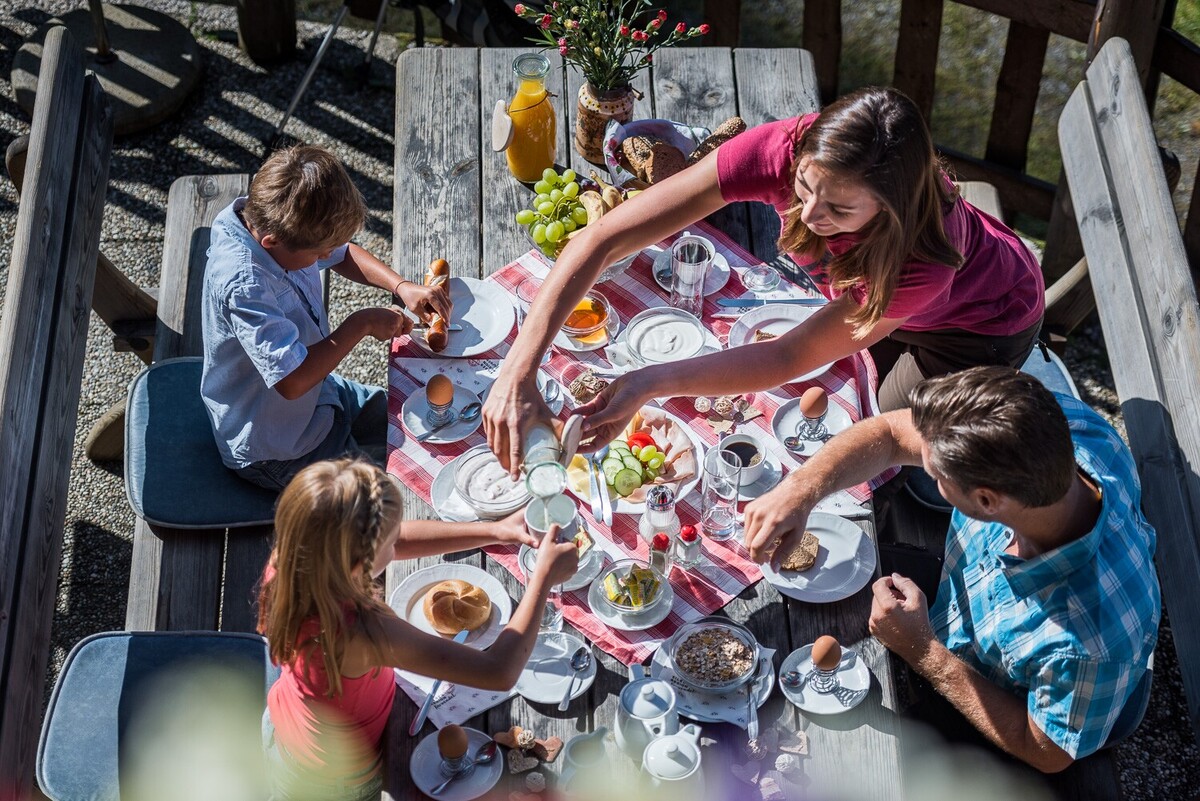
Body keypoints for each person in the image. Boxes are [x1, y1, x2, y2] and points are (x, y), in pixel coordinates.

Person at [483, 87, 1044, 471]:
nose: (809, 213)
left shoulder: (920, 264)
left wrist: (647, 383)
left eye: (840, 210)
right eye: (803, 187)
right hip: (884, 304)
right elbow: (605, 237)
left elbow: (787, 356)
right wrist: (516, 371)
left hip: (979, 325)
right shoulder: (784, 150)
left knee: (887, 446)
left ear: (891, 207)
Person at [742, 367, 1159, 771]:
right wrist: (801, 490)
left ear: (986, 501)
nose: (922, 463)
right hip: (957, 610)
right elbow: (891, 434)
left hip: (1022, 709)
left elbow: (1046, 750)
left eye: (936, 476)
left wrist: (924, 652)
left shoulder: (1087, 644)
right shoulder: (1055, 427)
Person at [258, 458, 578, 800]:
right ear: (360, 562)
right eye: (391, 540)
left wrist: (497, 530)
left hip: (287, 726)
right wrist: (542, 579)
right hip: (334, 777)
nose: (398, 540)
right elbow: (498, 671)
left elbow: (397, 540)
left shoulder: (295, 561)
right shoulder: (362, 631)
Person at [201, 145, 451, 490]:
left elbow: (343, 253)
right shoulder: (245, 285)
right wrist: (361, 323)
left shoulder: (275, 218)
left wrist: (401, 286)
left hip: (321, 396)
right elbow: (292, 381)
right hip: (280, 444)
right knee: (388, 491)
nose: (327, 256)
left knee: (424, 416)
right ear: (272, 242)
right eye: (319, 254)